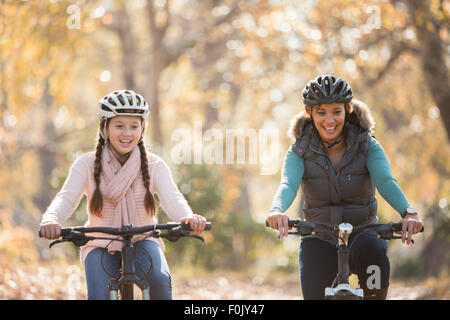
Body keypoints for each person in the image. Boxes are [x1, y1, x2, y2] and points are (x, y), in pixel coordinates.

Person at [266, 75, 423, 300]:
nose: (329, 120)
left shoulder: (367, 145)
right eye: (321, 112)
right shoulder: (298, 151)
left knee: (375, 257)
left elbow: (386, 181)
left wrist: (409, 212)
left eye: (336, 111)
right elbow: (288, 184)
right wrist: (277, 210)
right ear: (309, 113)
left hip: (363, 233)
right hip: (318, 235)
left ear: (347, 110)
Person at [39, 89, 207, 300]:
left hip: (144, 240)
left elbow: (172, 198)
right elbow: (66, 198)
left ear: (142, 130)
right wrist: (51, 219)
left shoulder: (154, 165)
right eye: (119, 126)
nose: (127, 133)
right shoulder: (86, 165)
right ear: (104, 128)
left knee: (160, 280)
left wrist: (188, 217)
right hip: (99, 243)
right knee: (99, 294)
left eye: (134, 126)